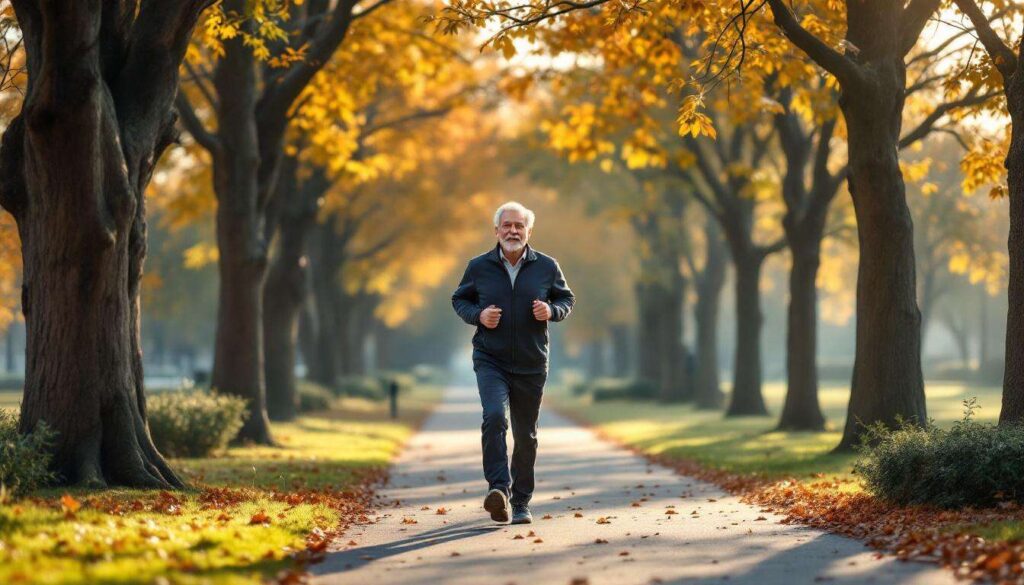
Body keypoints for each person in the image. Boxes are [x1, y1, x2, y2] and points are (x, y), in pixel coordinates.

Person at [452, 201, 575, 524]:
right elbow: (459, 299)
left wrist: (552, 311)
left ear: (529, 231)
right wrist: (478, 315)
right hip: (490, 359)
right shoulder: (479, 267)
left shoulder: (547, 266)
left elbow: (566, 298)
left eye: (519, 225)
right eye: (507, 225)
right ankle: (498, 489)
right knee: (494, 417)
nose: (513, 231)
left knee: (525, 435)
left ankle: (521, 502)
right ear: (496, 231)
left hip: (531, 362)